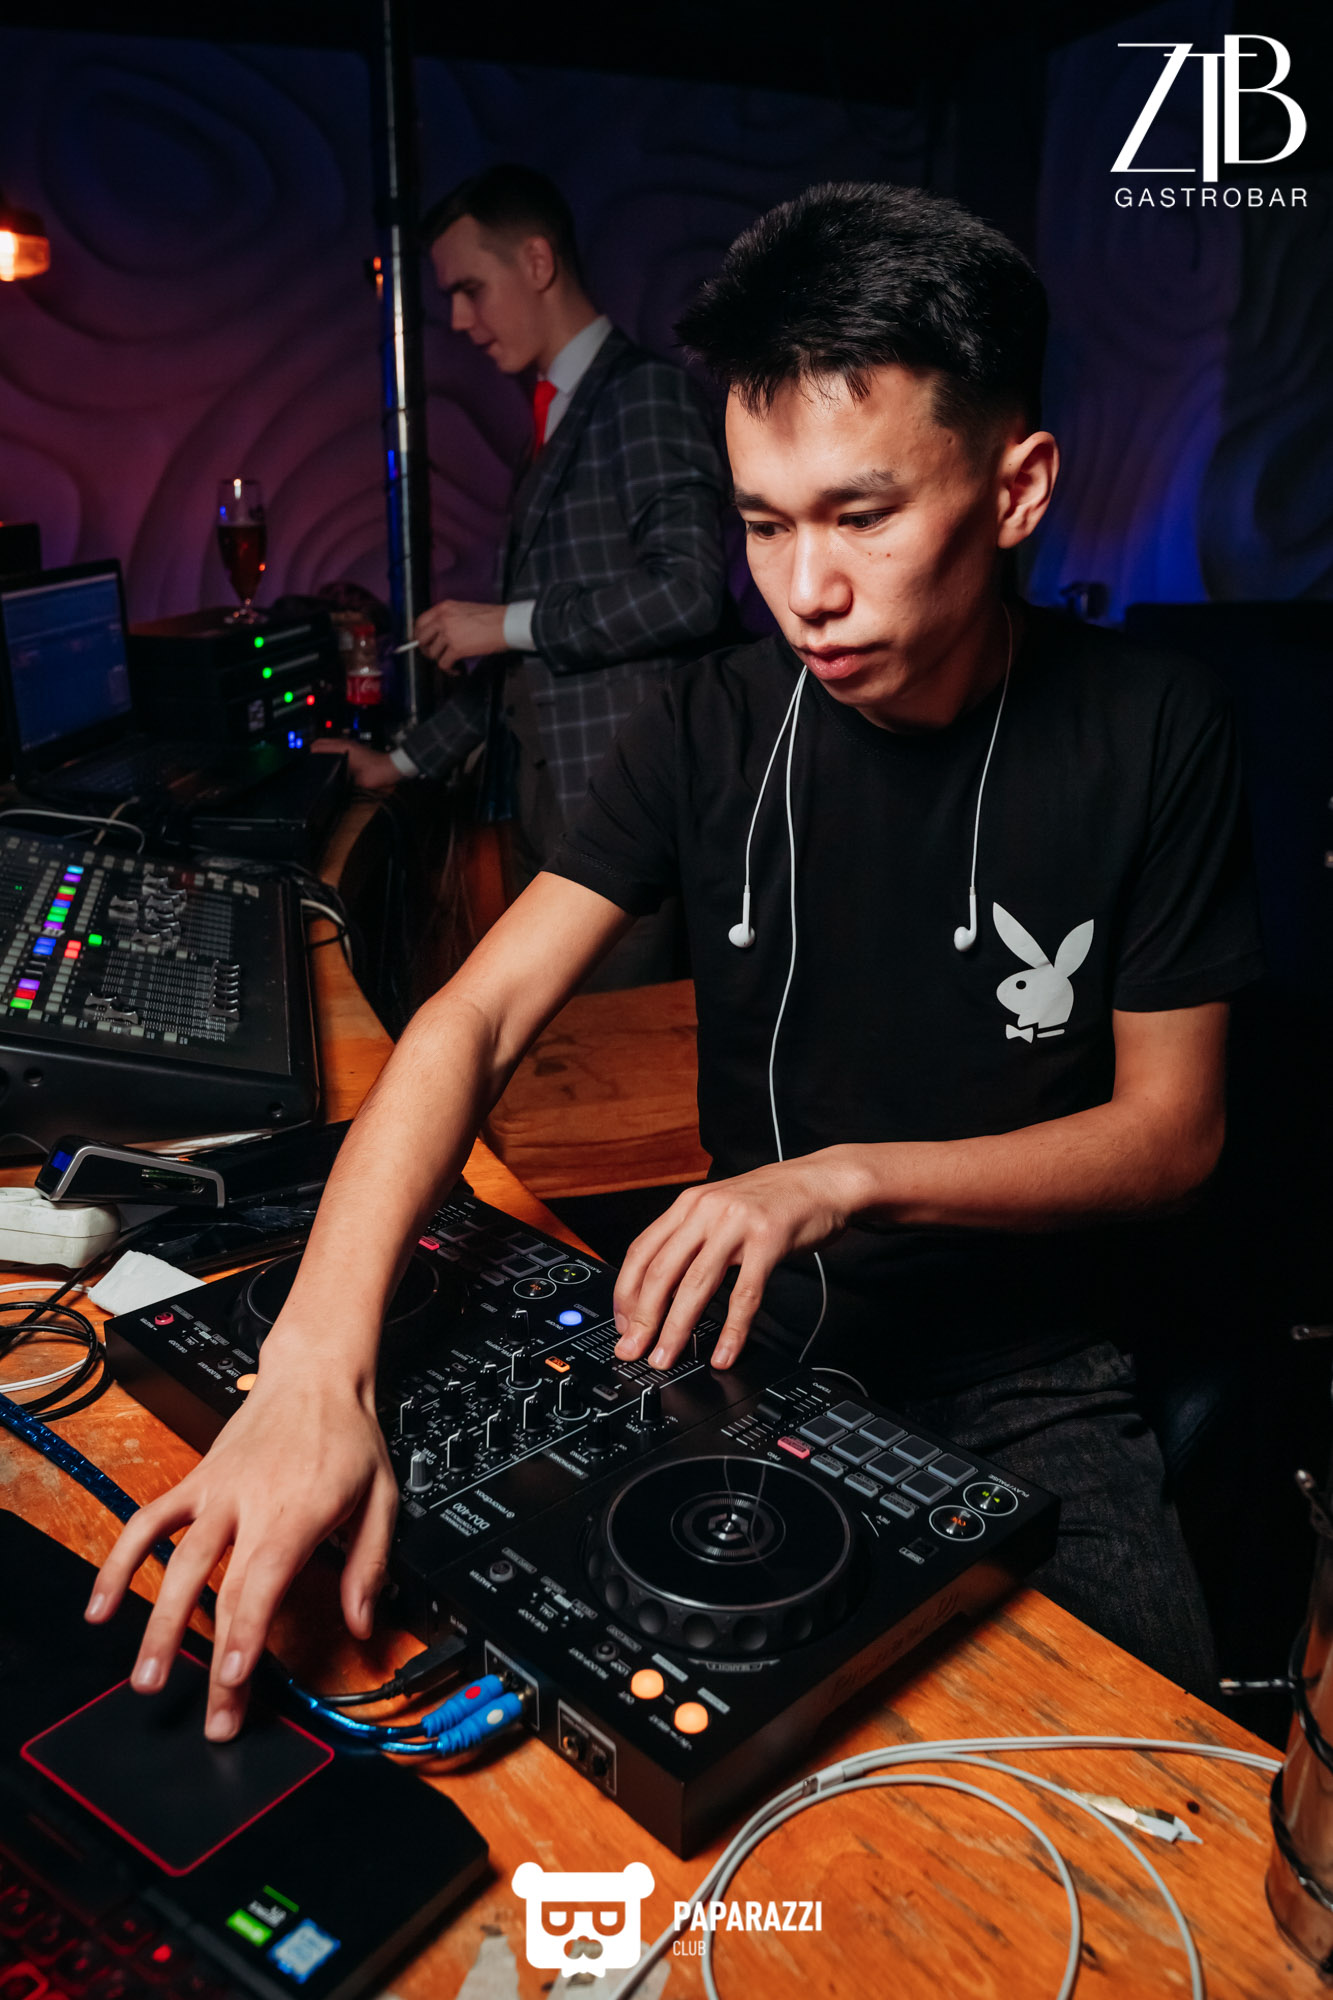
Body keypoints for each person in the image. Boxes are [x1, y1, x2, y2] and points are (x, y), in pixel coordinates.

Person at [91, 182, 1262, 1739]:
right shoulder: (703, 721)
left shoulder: (1157, 726)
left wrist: (831, 1180)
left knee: (1145, 1769)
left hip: (1027, 1369)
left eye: (862, 516)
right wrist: (313, 1367)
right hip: (730, 1329)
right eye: (765, 525)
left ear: (1017, 489)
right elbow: (472, 1019)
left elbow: (1173, 1134)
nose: (806, 592)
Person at [317, 164, 727, 981]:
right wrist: (399, 762)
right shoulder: (551, 410)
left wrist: (502, 621)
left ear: (537, 262)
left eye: (469, 289)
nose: (458, 320)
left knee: (614, 1044)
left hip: (627, 815)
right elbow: (520, 668)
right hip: (550, 814)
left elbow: (690, 592)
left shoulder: (643, 394)